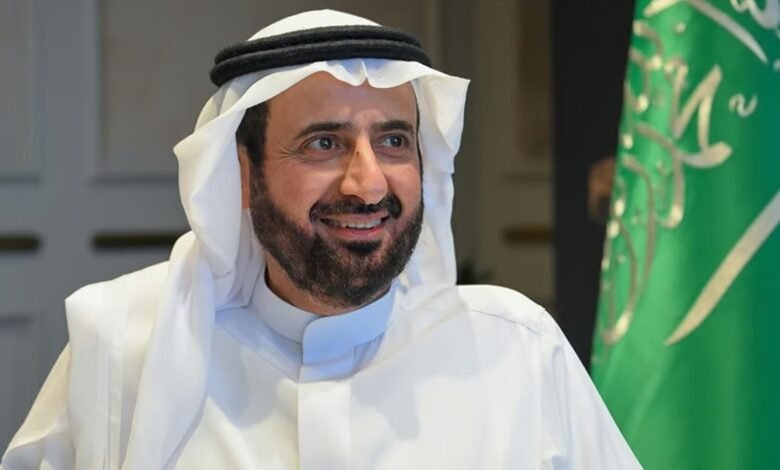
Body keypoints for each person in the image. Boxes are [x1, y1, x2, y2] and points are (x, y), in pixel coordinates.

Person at [1, 10, 641, 470]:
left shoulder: (517, 351)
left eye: (394, 141)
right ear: (243, 174)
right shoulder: (125, 348)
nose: (368, 183)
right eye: (324, 143)